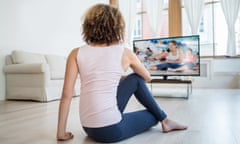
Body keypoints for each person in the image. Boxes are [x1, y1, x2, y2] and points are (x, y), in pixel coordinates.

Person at [57, 4, 187, 143]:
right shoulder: (124, 53)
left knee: (132, 80)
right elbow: (147, 78)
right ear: (117, 27)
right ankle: (164, 119)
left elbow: (66, 95)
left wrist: (61, 133)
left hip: (88, 127)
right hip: (111, 131)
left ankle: (165, 120)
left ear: (88, 26)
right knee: (150, 109)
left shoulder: (76, 53)